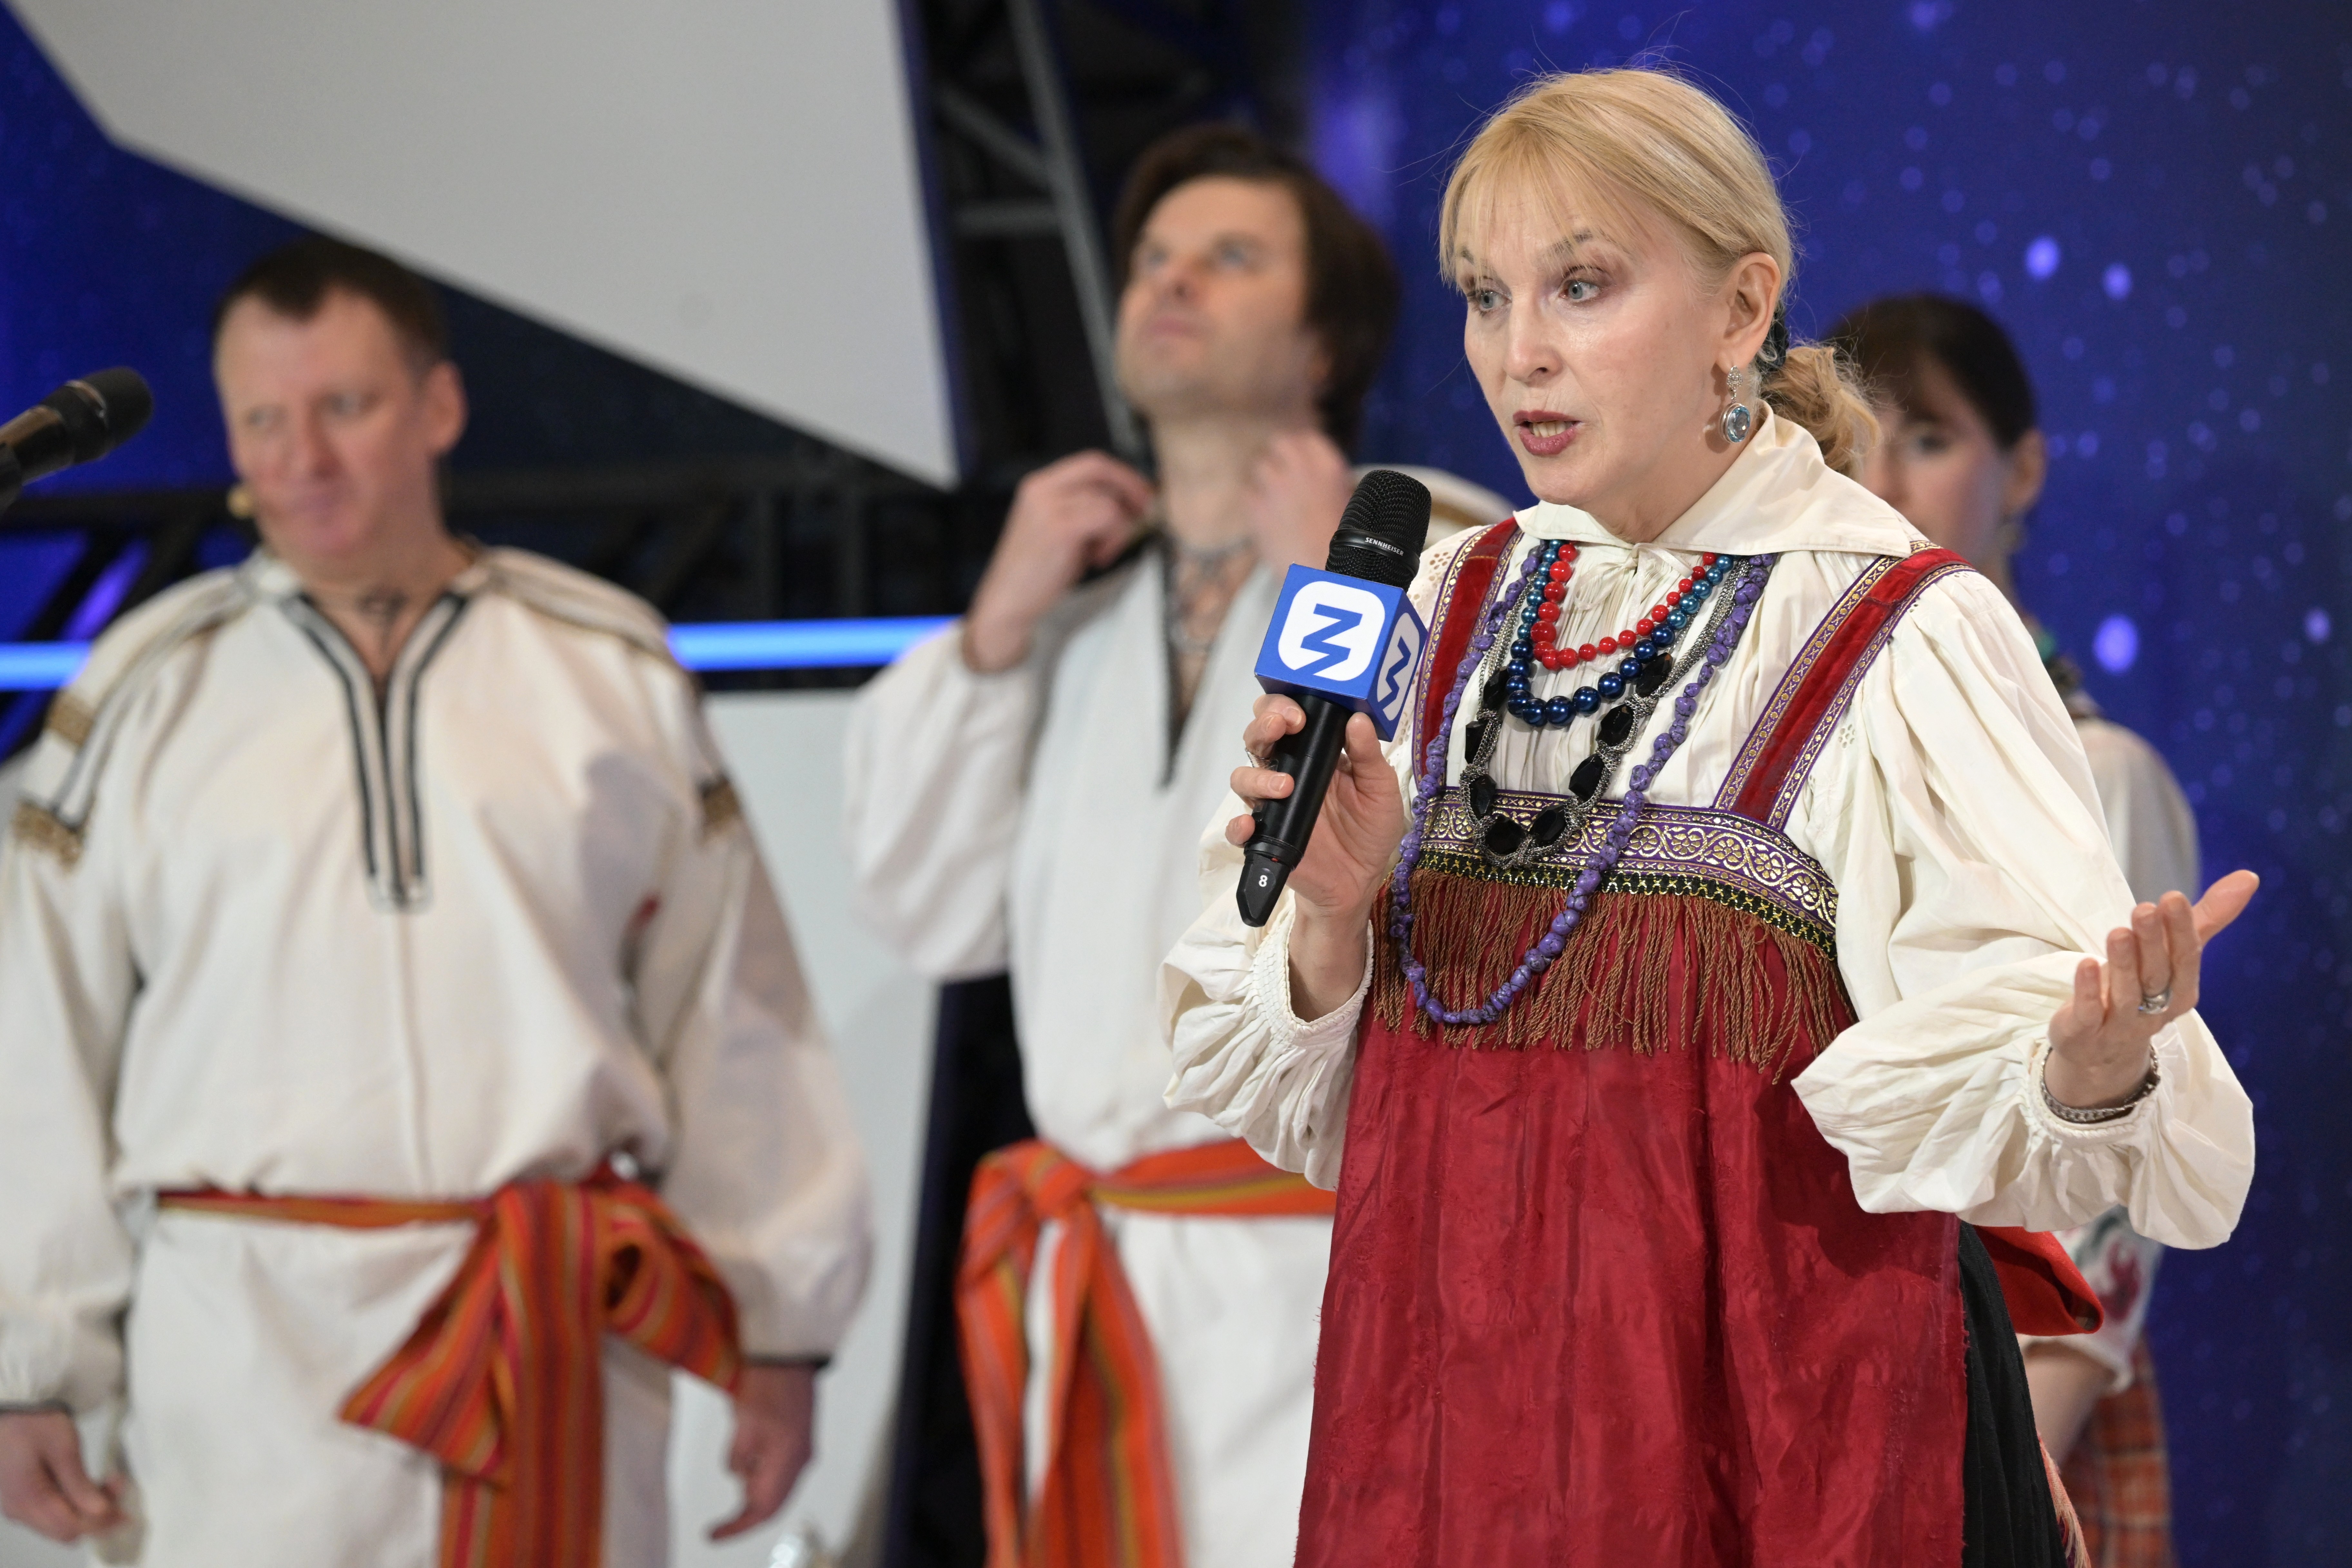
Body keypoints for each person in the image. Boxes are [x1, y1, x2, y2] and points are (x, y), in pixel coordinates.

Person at [1161, 68, 2256, 1566]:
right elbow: (1307, 1100)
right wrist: (1336, 911)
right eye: (1484, 296)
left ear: (1743, 307)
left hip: (1779, 1451)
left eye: (1581, 286)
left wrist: (2085, 1058)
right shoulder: (1442, 605)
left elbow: (2023, 1087)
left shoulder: (1893, 627)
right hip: (1448, 1432)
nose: (1520, 353)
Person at [0, 237, 871, 1566]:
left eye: (344, 406)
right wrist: (28, 1357)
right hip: (244, 1371)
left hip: (550, 1341)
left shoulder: (606, 668)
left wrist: (781, 1325)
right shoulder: (141, 687)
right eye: (262, 420)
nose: (302, 457)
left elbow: (733, 1005)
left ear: (440, 407)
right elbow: (38, 1032)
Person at [844, 124, 1508, 1568]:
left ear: (1323, 342)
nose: (1173, 282)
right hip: (1098, 1266)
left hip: (1315, 1265)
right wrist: (993, 629)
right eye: (1152, 258)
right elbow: (929, 911)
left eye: (1229, 257)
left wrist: (1338, 568)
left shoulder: (1449, 551)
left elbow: (1492, 874)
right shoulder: (1067, 620)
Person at [1836, 291, 2197, 1567]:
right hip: (1820, 1363)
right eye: (1852, 440)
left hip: (2013, 1395)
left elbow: (2129, 1156)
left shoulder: (2100, 774)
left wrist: (2010, 1447)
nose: (1883, 482)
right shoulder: (1795, 756)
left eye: (1928, 438)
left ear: (2023, 469)